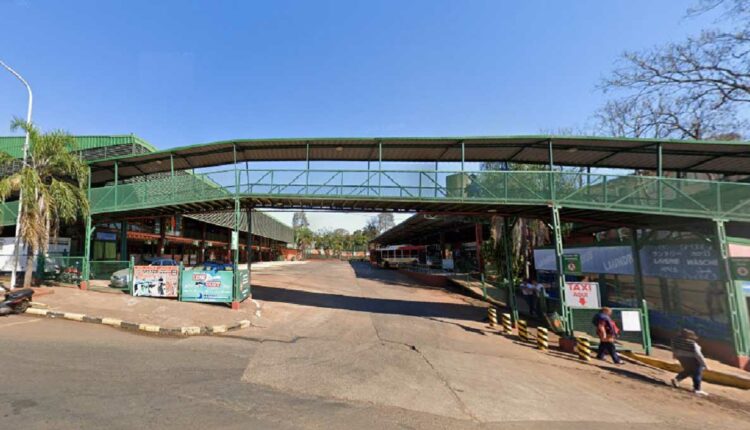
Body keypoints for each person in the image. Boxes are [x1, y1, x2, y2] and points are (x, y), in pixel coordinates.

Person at [671, 329, 709, 396]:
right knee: (697, 373)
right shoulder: (693, 344)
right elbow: (698, 355)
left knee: (688, 370)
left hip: (681, 358)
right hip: (693, 359)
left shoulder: (676, 341)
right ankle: (697, 389)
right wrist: (704, 364)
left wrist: (675, 356)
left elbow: (674, 349)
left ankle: (677, 379)